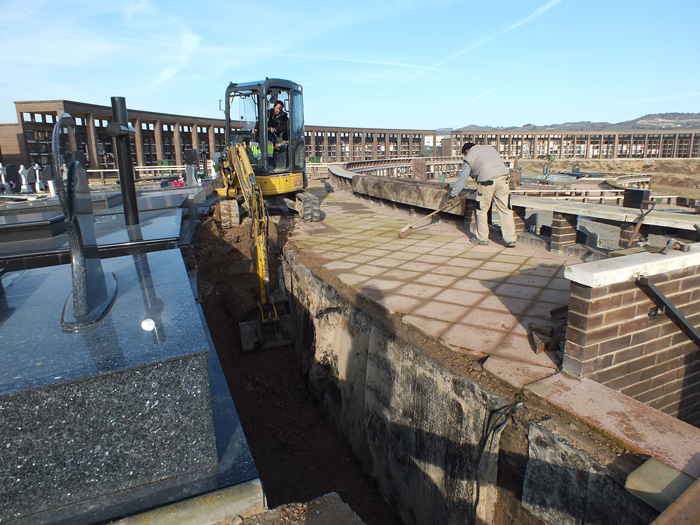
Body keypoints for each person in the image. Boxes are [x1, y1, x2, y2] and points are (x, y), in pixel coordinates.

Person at [451, 142, 516, 247]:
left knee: (482, 210)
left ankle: (482, 238)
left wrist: (453, 193)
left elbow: (463, 178)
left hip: (486, 182)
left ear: (466, 151)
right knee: (505, 209)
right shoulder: (489, 148)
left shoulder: (469, 156)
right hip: (503, 178)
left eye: (464, 154)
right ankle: (511, 239)